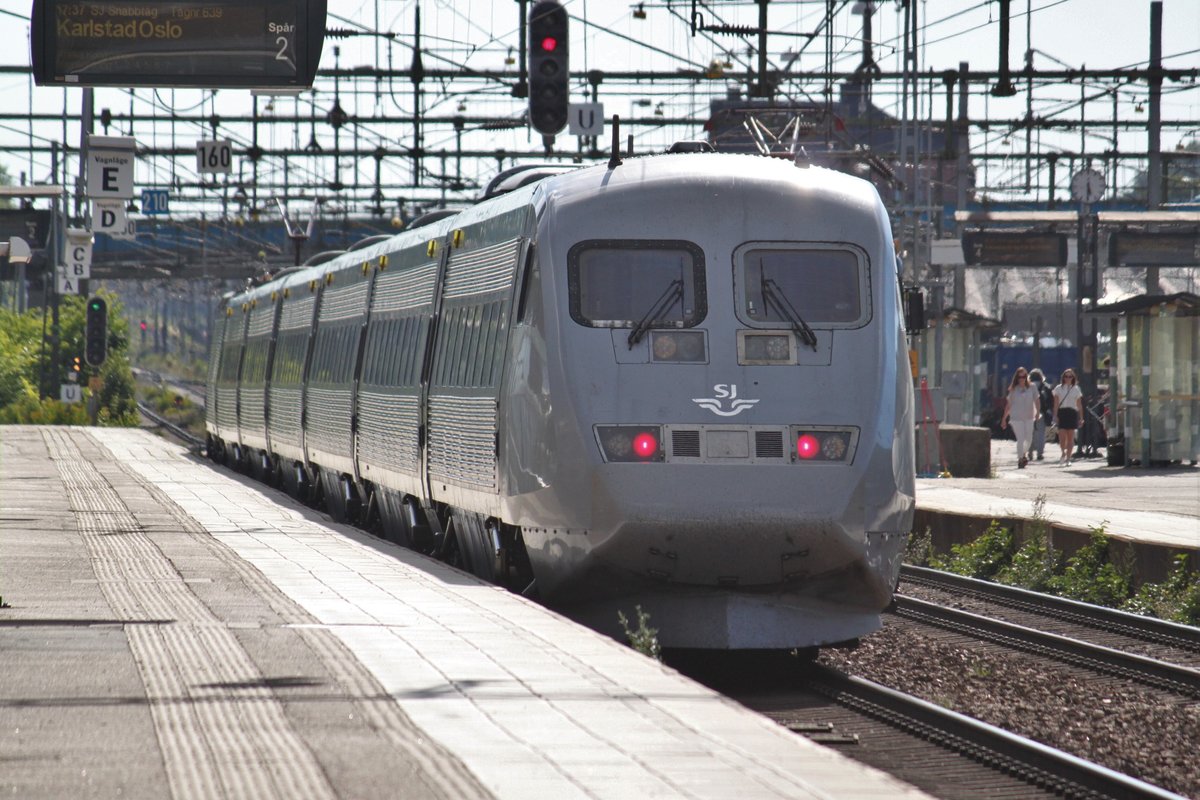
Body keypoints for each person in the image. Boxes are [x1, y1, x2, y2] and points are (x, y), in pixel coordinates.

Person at [1001, 367, 1039, 469]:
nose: (1021, 379)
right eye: (1019, 377)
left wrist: (1038, 412)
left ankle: (1023, 453)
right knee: (1021, 438)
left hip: (1029, 416)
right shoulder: (1013, 389)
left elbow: (1037, 400)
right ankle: (1021, 458)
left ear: (1026, 377)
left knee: (1029, 439)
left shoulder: (1032, 387)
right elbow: (1008, 405)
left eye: (1023, 376)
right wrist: (1004, 418)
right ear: (1016, 378)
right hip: (1016, 417)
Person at [1052, 368, 1085, 465]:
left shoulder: (1076, 389)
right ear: (1063, 377)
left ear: (1073, 378)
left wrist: (1081, 418)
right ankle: (1063, 453)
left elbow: (1079, 405)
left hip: (1072, 412)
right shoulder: (1058, 388)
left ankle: (1068, 459)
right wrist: (1055, 415)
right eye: (1066, 376)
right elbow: (1056, 404)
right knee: (1062, 436)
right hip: (1062, 412)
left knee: (1070, 437)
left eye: (1070, 376)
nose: (1068, 378)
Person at [1028, 368, 1053, 461]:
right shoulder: (1046, 387)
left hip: (1029, 413)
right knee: (1041, 433)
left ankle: (1029, 453)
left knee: (1029, 434)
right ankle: (1040, 453)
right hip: (1041, 412)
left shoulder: (1027, 387)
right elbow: (1051, 401)